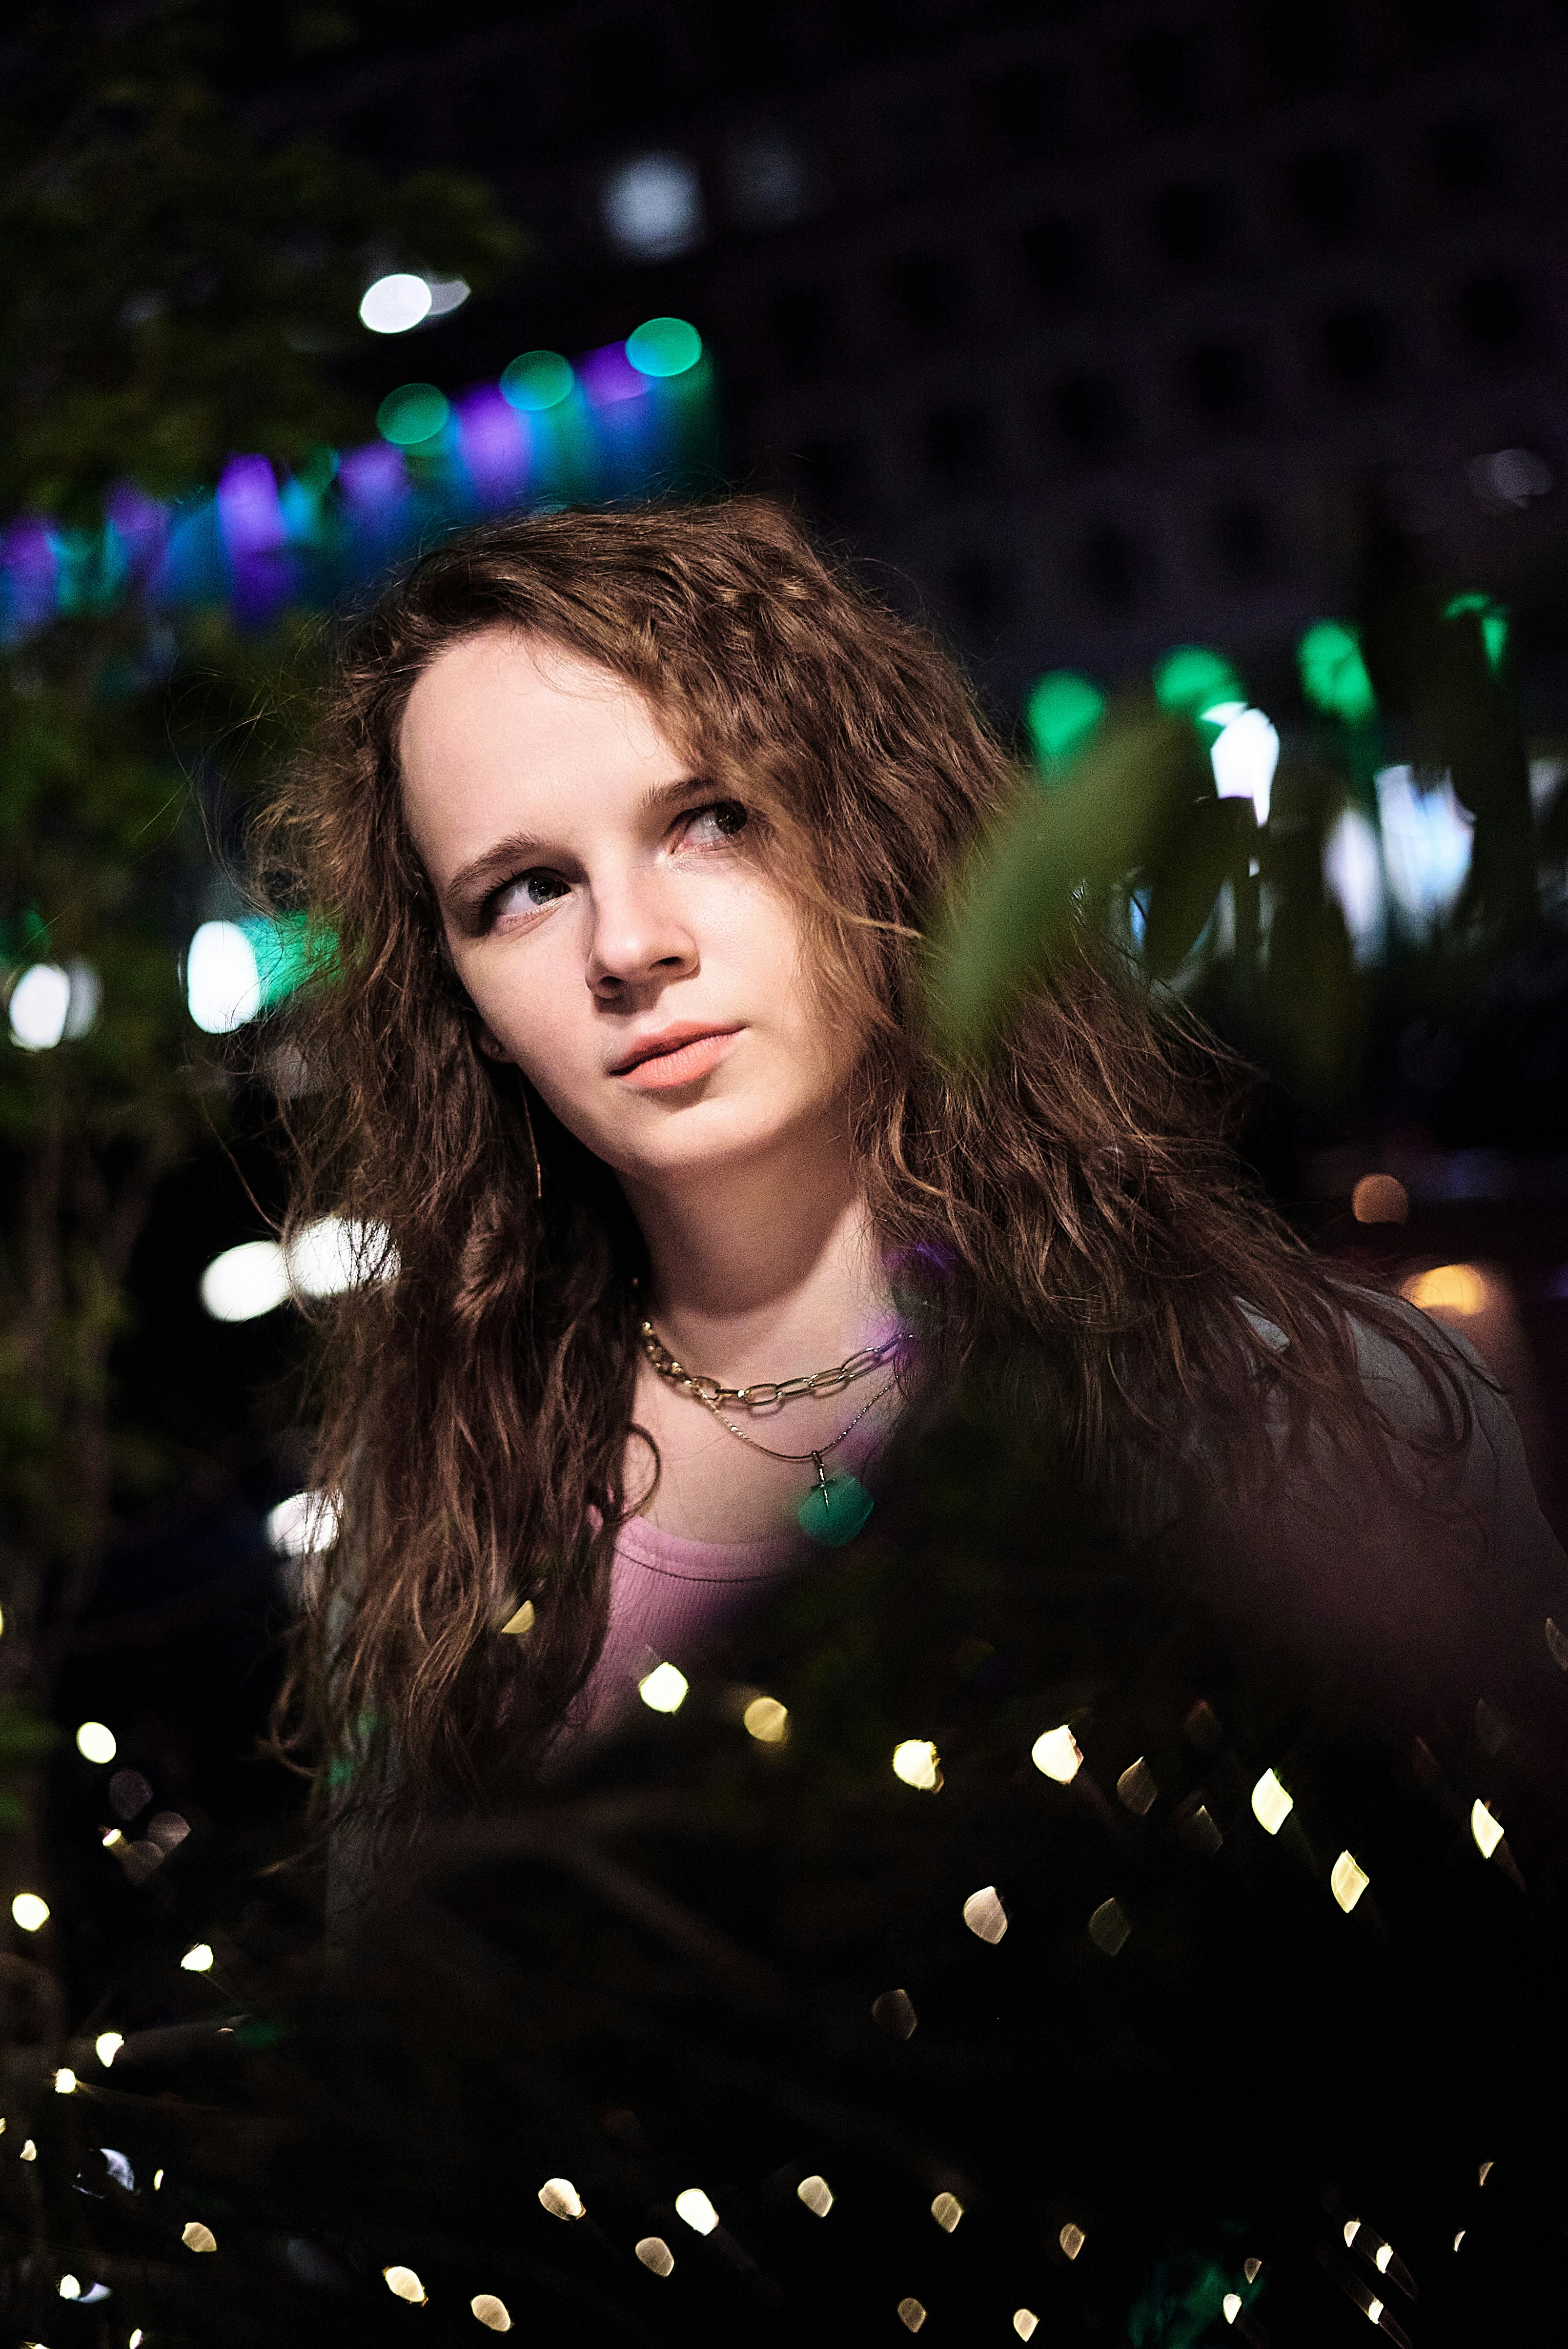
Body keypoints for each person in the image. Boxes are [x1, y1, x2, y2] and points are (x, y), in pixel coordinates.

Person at [245, 501, 1568, 2341]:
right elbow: (435, 2189)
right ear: (459, 996)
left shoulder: (1286, 1399)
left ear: (869, 825)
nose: (629, 945)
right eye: (521, 889)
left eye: (709, 818)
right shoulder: (449, 1538)